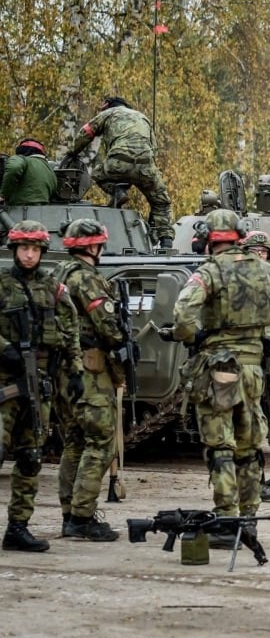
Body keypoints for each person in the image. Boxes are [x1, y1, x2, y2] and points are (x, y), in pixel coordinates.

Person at [165, 209, 270, 539]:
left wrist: (192, 336)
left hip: (218, 371)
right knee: (248, 446)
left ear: (208, 241)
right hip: (253, 369)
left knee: (221, 447)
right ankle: (248, 519)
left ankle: (227, 521)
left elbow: (183, 314)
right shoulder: (267, 271)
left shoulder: (209, 272)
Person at [1, 221, 81, 552]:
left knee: (31, 457)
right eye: (24, 248)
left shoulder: (53, 287)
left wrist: (75, 371)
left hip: (39, 384)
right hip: (5, 382)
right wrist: (5, 348)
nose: (30, 254)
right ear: (15, 250)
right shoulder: (3, 284)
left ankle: (18, 527)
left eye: (35, 249)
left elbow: (71, 326)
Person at [54, 219, 124, 541]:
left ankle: (70, 514)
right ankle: (82, 518)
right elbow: (108, 328)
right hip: (90, 369)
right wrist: (121, 338)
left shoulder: (57, 274)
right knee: (99, 441)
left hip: (62, 371)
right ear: (94, 246)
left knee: (74, 442)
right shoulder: (87, 279)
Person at [69, 97, 174, 248]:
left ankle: (118, 191)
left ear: (107, 106)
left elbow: (86, 132)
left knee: (97, 173)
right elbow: (154, 149)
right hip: (146, 165)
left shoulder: (108, 113)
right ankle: (166, 241)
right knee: (161, 202)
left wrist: (73, 152)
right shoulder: (142, 117)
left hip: (118, 162)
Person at [0, 139, 56, 207]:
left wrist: (3, 195)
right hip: (43, 210)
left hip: (19, 210)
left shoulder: (23, 159)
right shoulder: (50, 170)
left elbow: (14, 167)